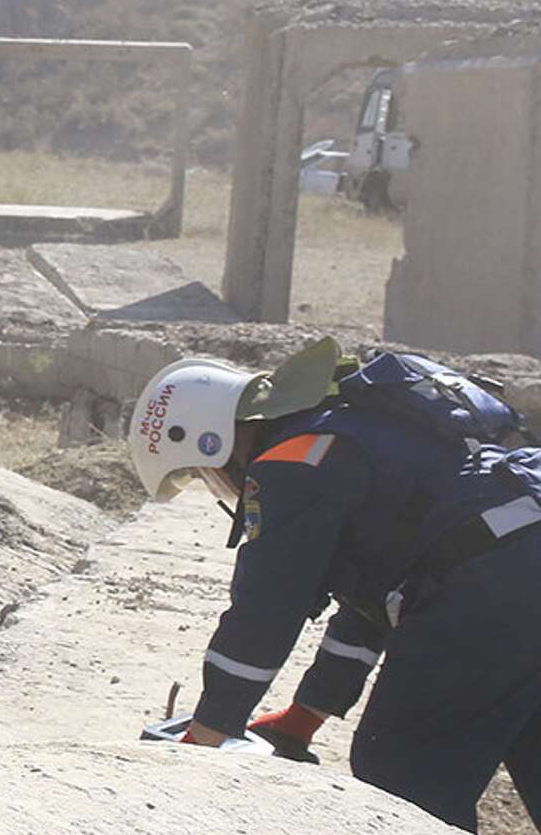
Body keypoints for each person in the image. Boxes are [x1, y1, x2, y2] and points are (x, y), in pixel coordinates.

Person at [127, 337, 541, 831]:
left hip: (492, 584)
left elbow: (265, 612)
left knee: (402, 771)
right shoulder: (349, 431)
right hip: (511, 563)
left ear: (218, 437)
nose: (221, 486)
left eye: (205, 472)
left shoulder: (292, 461)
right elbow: (375, 605)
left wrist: (211, 728)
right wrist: (306, 716)